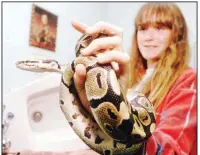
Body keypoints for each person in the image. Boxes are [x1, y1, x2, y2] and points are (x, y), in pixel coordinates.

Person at [71, 3, 196, 155]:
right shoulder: (128, 75)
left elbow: (172, 149)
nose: (149, 37)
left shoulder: (189, 81)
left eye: (160, 28)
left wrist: (126, 134)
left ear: (177, 34)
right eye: (143, 28)